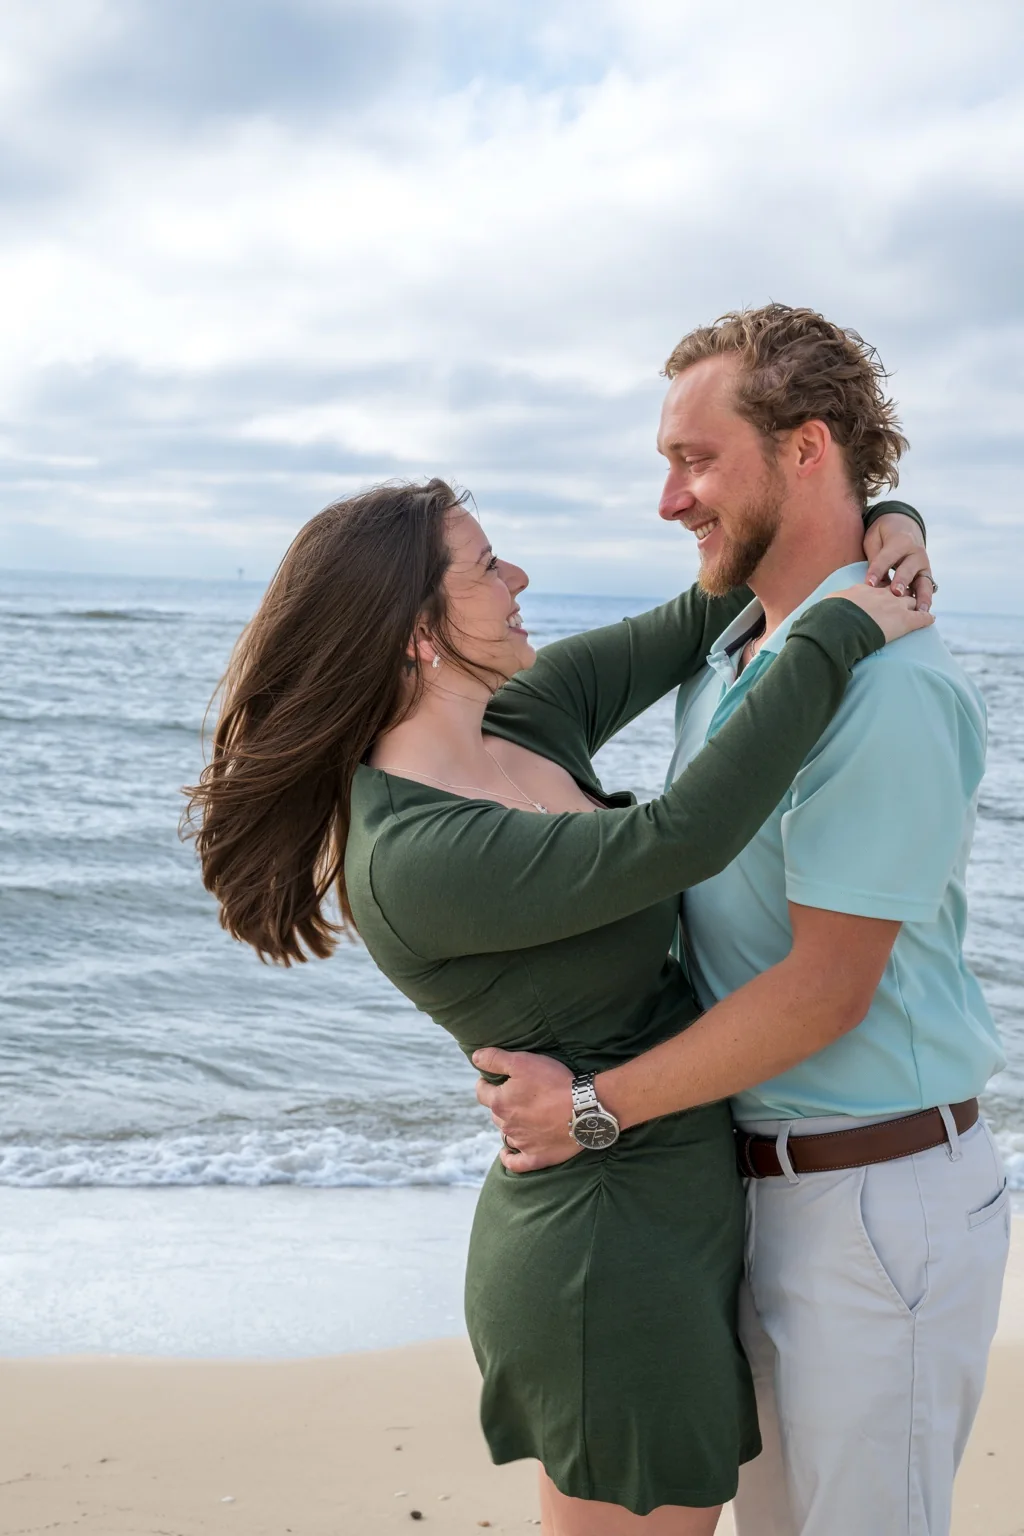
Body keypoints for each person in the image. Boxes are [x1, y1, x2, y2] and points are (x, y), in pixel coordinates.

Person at [184, 476, 929, 1536]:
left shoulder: (525, 717)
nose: (519, 576)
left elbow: (712, 603)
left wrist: (887, 520)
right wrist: (837, 635)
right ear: (413, 632)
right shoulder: (416, 854)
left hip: (668, 1209)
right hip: (603, 1252)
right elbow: (679, 838)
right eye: (486, 566)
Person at [473, 305, 1009, 1536]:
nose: (670, 501)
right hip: (746, 1189)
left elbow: (826, 990)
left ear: (806, 447)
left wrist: (592, 1108)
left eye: (695, 459)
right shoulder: (730, 651)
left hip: (877, 1211)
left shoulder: (886, 690)